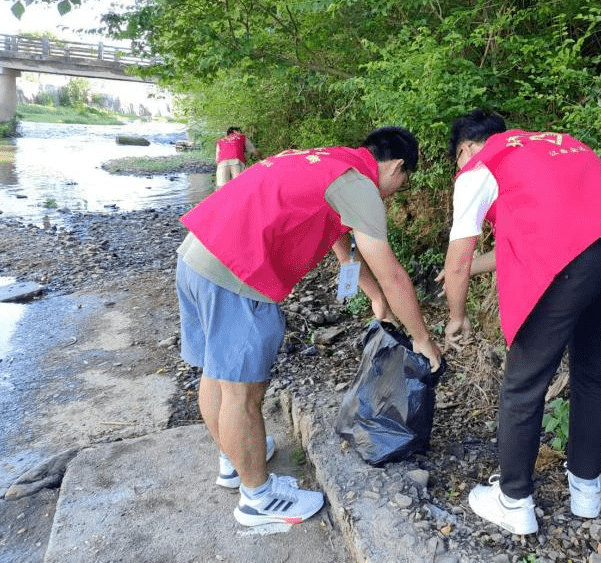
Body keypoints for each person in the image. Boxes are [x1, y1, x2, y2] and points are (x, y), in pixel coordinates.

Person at [175, 126, 443, 527]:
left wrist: (373, 296)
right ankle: (257, 500)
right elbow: (395, 275)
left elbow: (340, 243)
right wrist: (423, 340)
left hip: (197, 257)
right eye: (401, 184)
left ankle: (235, 462)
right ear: (397, 166)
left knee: (217, 374)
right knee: (242, 393)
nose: (394, 193)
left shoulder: (328, 160)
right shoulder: (360, 185)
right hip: (237, 275)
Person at [441, 109, 601, 536]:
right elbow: (553, 231)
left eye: (456, 160)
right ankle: (586, 493)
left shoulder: (479, 167)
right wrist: (467, 272)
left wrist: (456, 317)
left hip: (575, 261)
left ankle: (514, 501)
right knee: (592, 373)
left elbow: (457, 262)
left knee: (523, 383)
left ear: (464, 149)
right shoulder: (556, 143)